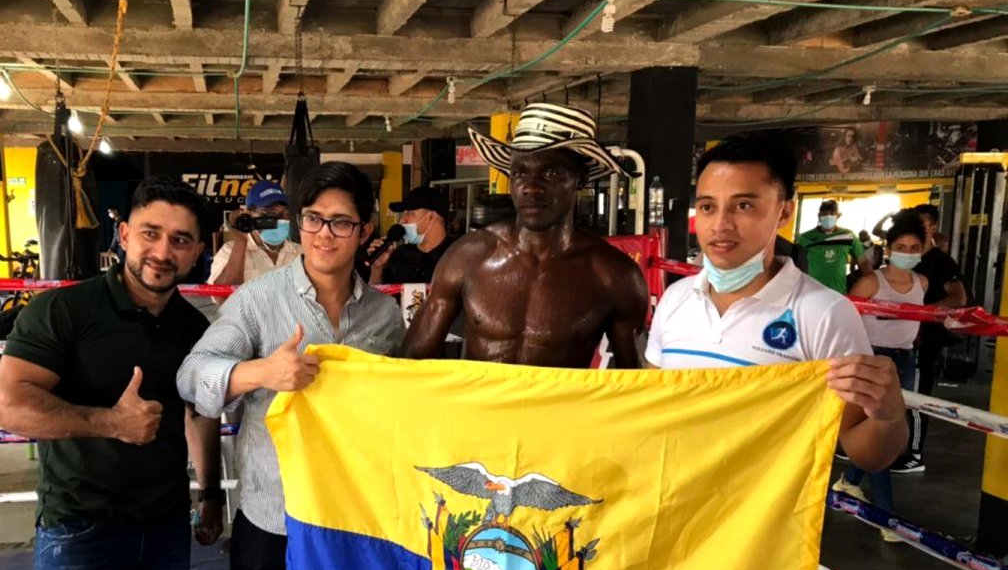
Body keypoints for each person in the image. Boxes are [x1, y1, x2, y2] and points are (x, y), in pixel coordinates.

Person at [177, 162, 405, 570]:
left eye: (341, 222)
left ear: (364, 230)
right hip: (272, 515)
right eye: (313, 218)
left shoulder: (384, 315)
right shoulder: (257, 299)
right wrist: (260, 372)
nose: (324, 234)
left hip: (355, 517)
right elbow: (192, 374)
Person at [0, 177, 223, 570]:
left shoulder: (195, 329)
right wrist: (111, 422)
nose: (162, 252)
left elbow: (199, 413)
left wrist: (211, 494)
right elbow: (8, 406)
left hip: (165, 525)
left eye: (180, 240)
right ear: (125, 236)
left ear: (196, 252)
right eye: (150, 233)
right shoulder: (64, 311)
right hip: (80, 523)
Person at [645, 135, 907, 474]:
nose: (721, 225)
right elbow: (655, 408)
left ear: (784, 211)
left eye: (743, 206)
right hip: (674, 510)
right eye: (708, 206)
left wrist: (889, 416)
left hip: (762, 523)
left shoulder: (824, 314)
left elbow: (866, 454)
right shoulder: (676, 299)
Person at [400, 102, 648, 368]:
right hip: (479, 408)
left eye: (550, 172)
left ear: (581, 178)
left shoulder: (615, 276)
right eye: (519, 173)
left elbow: (632, 383)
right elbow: (409, 365)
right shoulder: (468, 256)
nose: (530, 187)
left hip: (558, 409)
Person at [833, 213, 928, 542]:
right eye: (901, 246)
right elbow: (844, 317)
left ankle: (849, 482)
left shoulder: (922, 283)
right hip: (872, 356)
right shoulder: (872, 283)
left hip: (904, 358)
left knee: (890, 427)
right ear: (889, 248)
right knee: (876, 431)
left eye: (914, 246)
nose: (908, 251)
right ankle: (887, 518)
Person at [894, 203, 968, 473]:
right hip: (901, 339)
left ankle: (914, 453)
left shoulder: (941, 261)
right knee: (897, 395)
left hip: (925, 339)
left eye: (921, 226)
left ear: (933, 228)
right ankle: (894, 447)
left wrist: (923, 314)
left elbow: (958, 297)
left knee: (916, 396)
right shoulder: (907, 259)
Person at [209, 181, 302, 297]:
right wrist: (240, 241)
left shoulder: (300, 253)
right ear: (248, 214)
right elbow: (221, 297)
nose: (278, 221)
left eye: (284, 214)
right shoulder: (228, 252)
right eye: (268, 213)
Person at [368, 186, 455, 285]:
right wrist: (377, 268)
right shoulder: (400, 255)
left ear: (431, 217)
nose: (402, 220)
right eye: (403, 214)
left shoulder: (458, 254)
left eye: (410, 213)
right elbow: (377, 295)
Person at [796, 199, 871, 295]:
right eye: (824, 214)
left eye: (832, 213)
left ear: (838, 215)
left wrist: (871, 281)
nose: (828, 216)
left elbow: (863, 262)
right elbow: (797, 265)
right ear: (819, 216)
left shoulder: (848, 236)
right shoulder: (806, 238)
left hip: (838, 293)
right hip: (812, 293)